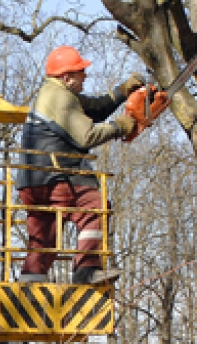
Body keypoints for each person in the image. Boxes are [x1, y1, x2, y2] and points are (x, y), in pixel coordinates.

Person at [16, 45, 143, 285]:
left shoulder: (54, 94)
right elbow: (86, 136)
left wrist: (122, 92)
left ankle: (30, 283)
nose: (85, 76)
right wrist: (120, 127)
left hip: (32, 182)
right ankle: (86, 268)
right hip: (56, 177)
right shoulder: (61, 98)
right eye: (80, 72)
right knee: (95, 207)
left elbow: (93, 109)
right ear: (66, 77)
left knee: (45, 234)